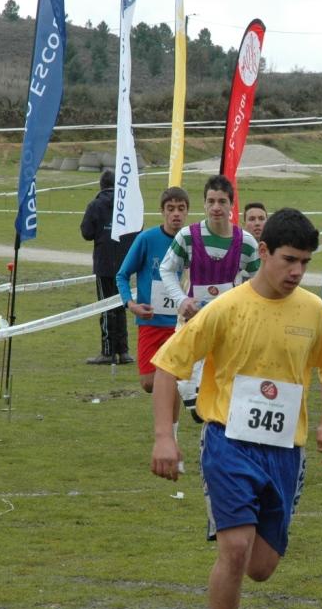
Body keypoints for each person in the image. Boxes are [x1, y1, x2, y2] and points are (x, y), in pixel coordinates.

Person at [149, 209, 322, 609]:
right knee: (236, 547)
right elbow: (167, 367)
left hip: (285, 452)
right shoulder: (225, 309)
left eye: (304, 261)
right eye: (288, 260)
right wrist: (165, 436)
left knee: (260, 568)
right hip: (228, 441)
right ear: (263, 253)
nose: (297, 271)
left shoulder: (314, 311)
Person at [159, 175, 260, 422]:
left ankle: (219, 432)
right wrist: (181, 299)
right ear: (204, 204)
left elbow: (258, 281)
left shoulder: (246, 242)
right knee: (183, 383)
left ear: (231, 206)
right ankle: (194, 409)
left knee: (224, 383)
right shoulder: (187, 236)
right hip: (192, 319)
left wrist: (245, 303)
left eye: (222, 201)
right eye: (211, 201)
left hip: (229, 324)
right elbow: (166, 269)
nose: (216, 207)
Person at [115, 186, 190, 418]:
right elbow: (122, 275)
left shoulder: (192, 240)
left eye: (181, 208)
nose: (176, 214)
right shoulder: (147, 239)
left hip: (179, 324)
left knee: (173, 377)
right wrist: (131, 304)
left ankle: (171, 434)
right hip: (150, 322)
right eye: (170, 209)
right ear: (162, 211)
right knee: (149, 382)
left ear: (187, 211)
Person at [80, 169, 137, 365]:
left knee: (106, 307)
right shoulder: (128, 205)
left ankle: (107, 352)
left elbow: (86, 232)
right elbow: (137, 229)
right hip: (125, 263)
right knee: (122, 305)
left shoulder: (95, 205)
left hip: (104, 263)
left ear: (101, 185)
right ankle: (124, 351)